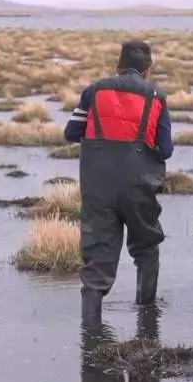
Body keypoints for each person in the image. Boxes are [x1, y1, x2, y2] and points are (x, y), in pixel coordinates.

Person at [64, 40, 174, 323]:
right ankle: (146, 318)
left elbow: (71, 132)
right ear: (147, 69)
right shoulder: (157, 97)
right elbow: (166, 149)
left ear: (118, 65)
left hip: (97, 185)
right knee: (146, 247)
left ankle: (90, 333)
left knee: (97, 257)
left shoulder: (94, 90)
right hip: (140, 185)